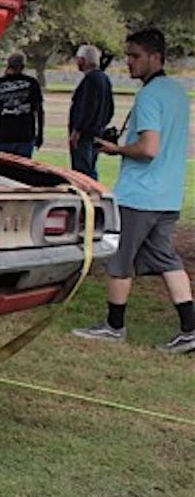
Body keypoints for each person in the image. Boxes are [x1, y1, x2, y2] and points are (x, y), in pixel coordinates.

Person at [73, 28, 194, 354]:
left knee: (119, 258)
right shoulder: (177, 92)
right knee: (166, 259)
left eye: (136, 56)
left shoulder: (150, 95)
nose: (129, 62)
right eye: (128, 55)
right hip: (168, 195)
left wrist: (116, 151)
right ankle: (190, 329)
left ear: (156, 57)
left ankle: (114, 326)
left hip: (140, 196)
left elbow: (149, 148)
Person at [68, 44, 114, 180]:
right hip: (96, 133)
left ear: (83, 60)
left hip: (85, 136)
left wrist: (77, 131)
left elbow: (87, 107)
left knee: (83, 173)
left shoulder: (90, 79)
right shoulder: (104, 79)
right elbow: (110, 109)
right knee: (90, 168)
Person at [0, 51, 43, 158]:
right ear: (23, 66)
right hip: (25, 135)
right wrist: (40, 134)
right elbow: (39, 110)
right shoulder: (32, 82)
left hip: (4, 134)